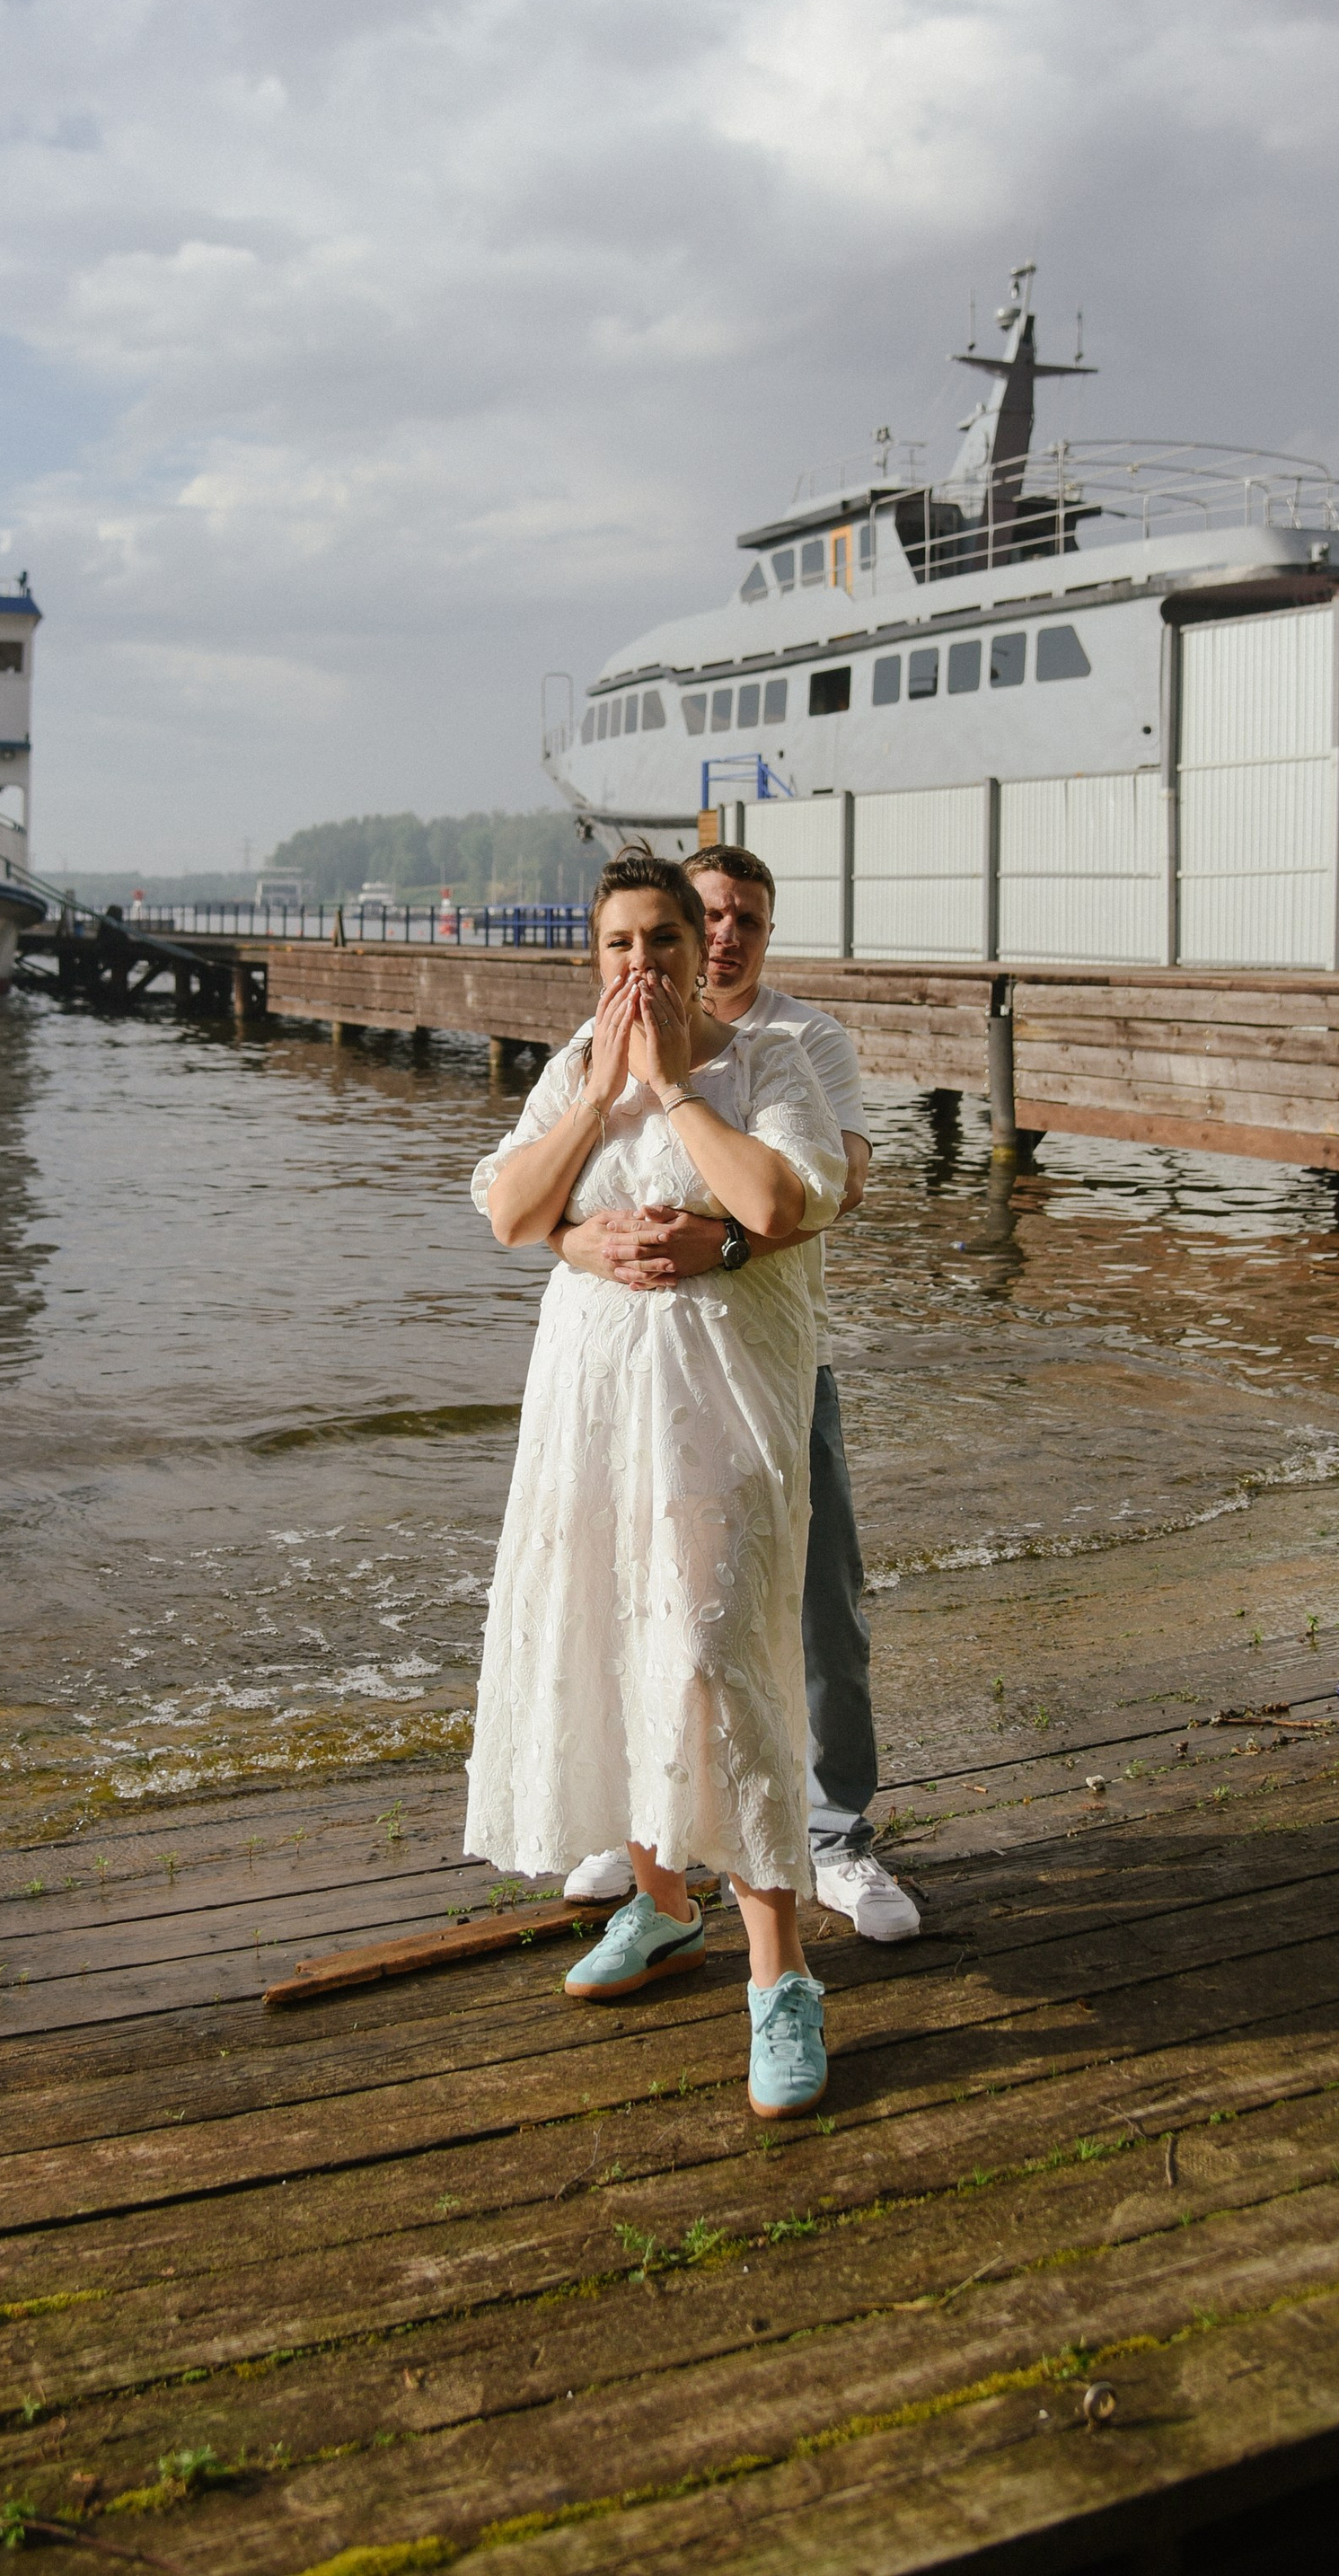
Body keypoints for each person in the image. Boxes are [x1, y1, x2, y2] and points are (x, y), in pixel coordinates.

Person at [467, 847, 848, 2119]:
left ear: (703, 952)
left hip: (722, 1411)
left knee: (711, 1656)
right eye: (620, 945)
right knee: (610, 1641)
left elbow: (783, 1194)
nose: (643, 966)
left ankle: (780, 1976)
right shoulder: (576, 1064)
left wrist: (673, 1091)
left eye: (665, 944)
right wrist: (593, 1126)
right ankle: (660, 1900)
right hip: (591, 1407)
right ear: (598, 957)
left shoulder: (768, 1063)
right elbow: (512, 1210)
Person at [549, 842, 918, 1942]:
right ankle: (651, 1826)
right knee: (647, 1598)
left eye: (742, 920)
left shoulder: (799, 1042)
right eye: (702, 916)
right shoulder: (602, 1041)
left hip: (769, 1362)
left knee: (814, 1600)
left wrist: (720, 1243)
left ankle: (836, 1832)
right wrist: (581, 1240)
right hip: (638, 1380)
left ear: (764, 931)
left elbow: (833, 1188)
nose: (720, 937)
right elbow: (536, 1202)